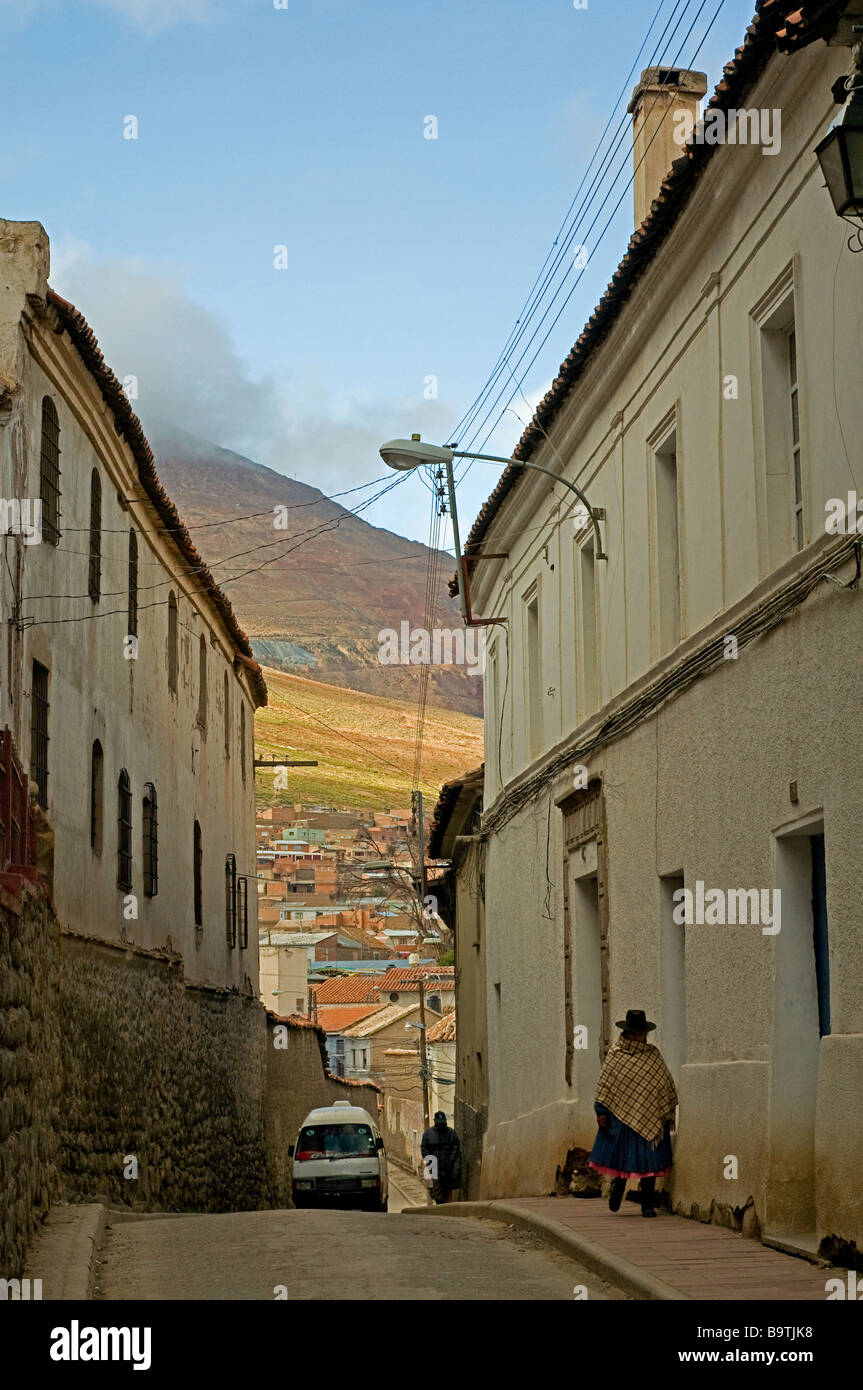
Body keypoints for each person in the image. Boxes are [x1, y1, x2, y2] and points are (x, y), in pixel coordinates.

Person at [589, 1008, 678, 1217]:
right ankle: (618, 1187)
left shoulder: (653, 1054)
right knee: (623, 1158)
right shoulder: (615, 1054)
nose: (639, 1038)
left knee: (651, 1162)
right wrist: (601, 1111)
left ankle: (647, 1203)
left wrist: (665, 1109)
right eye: (635, 1034)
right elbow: (606, 1084)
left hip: (650, 1116)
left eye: (641, 1034)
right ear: (627, 1034)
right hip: (622, 1117)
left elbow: (664, 1081)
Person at [421, 1111, 462, 1204]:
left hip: (448, 1167)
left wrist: (450, 1160)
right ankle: (440, 1203)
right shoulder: (428, 1134)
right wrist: (431, 1161)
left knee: (447, 1189)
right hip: (434, 1167)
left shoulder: (451, 1133)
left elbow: (455, 1147)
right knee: (437, 1190)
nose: (441, 1125)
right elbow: (424, 1149)